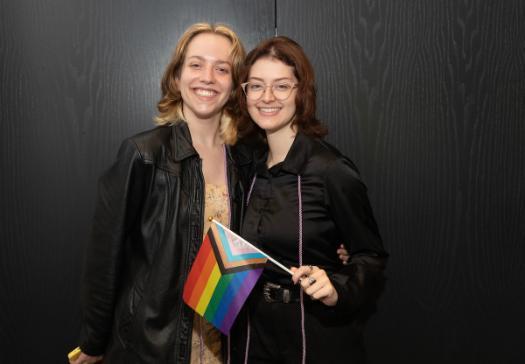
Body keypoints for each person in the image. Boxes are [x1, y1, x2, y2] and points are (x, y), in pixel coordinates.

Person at [70, 23, 246, 364]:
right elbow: (104, 260)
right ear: (176, 76)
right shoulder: (143, 153)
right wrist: (93, 343)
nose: (207, 77)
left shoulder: (244, 160)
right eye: (196, 64)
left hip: (222, 348)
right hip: (152, 349)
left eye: (222, 68)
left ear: (235, 84)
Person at [231, 36, 388, 364]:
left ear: (301, 92)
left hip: (316, 340)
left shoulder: (331, 170)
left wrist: (337, 290)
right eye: (256, 86)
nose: (267, 97)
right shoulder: (245, 168)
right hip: (250, 340)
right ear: (244, 95)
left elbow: (370, 257)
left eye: (282, 86)